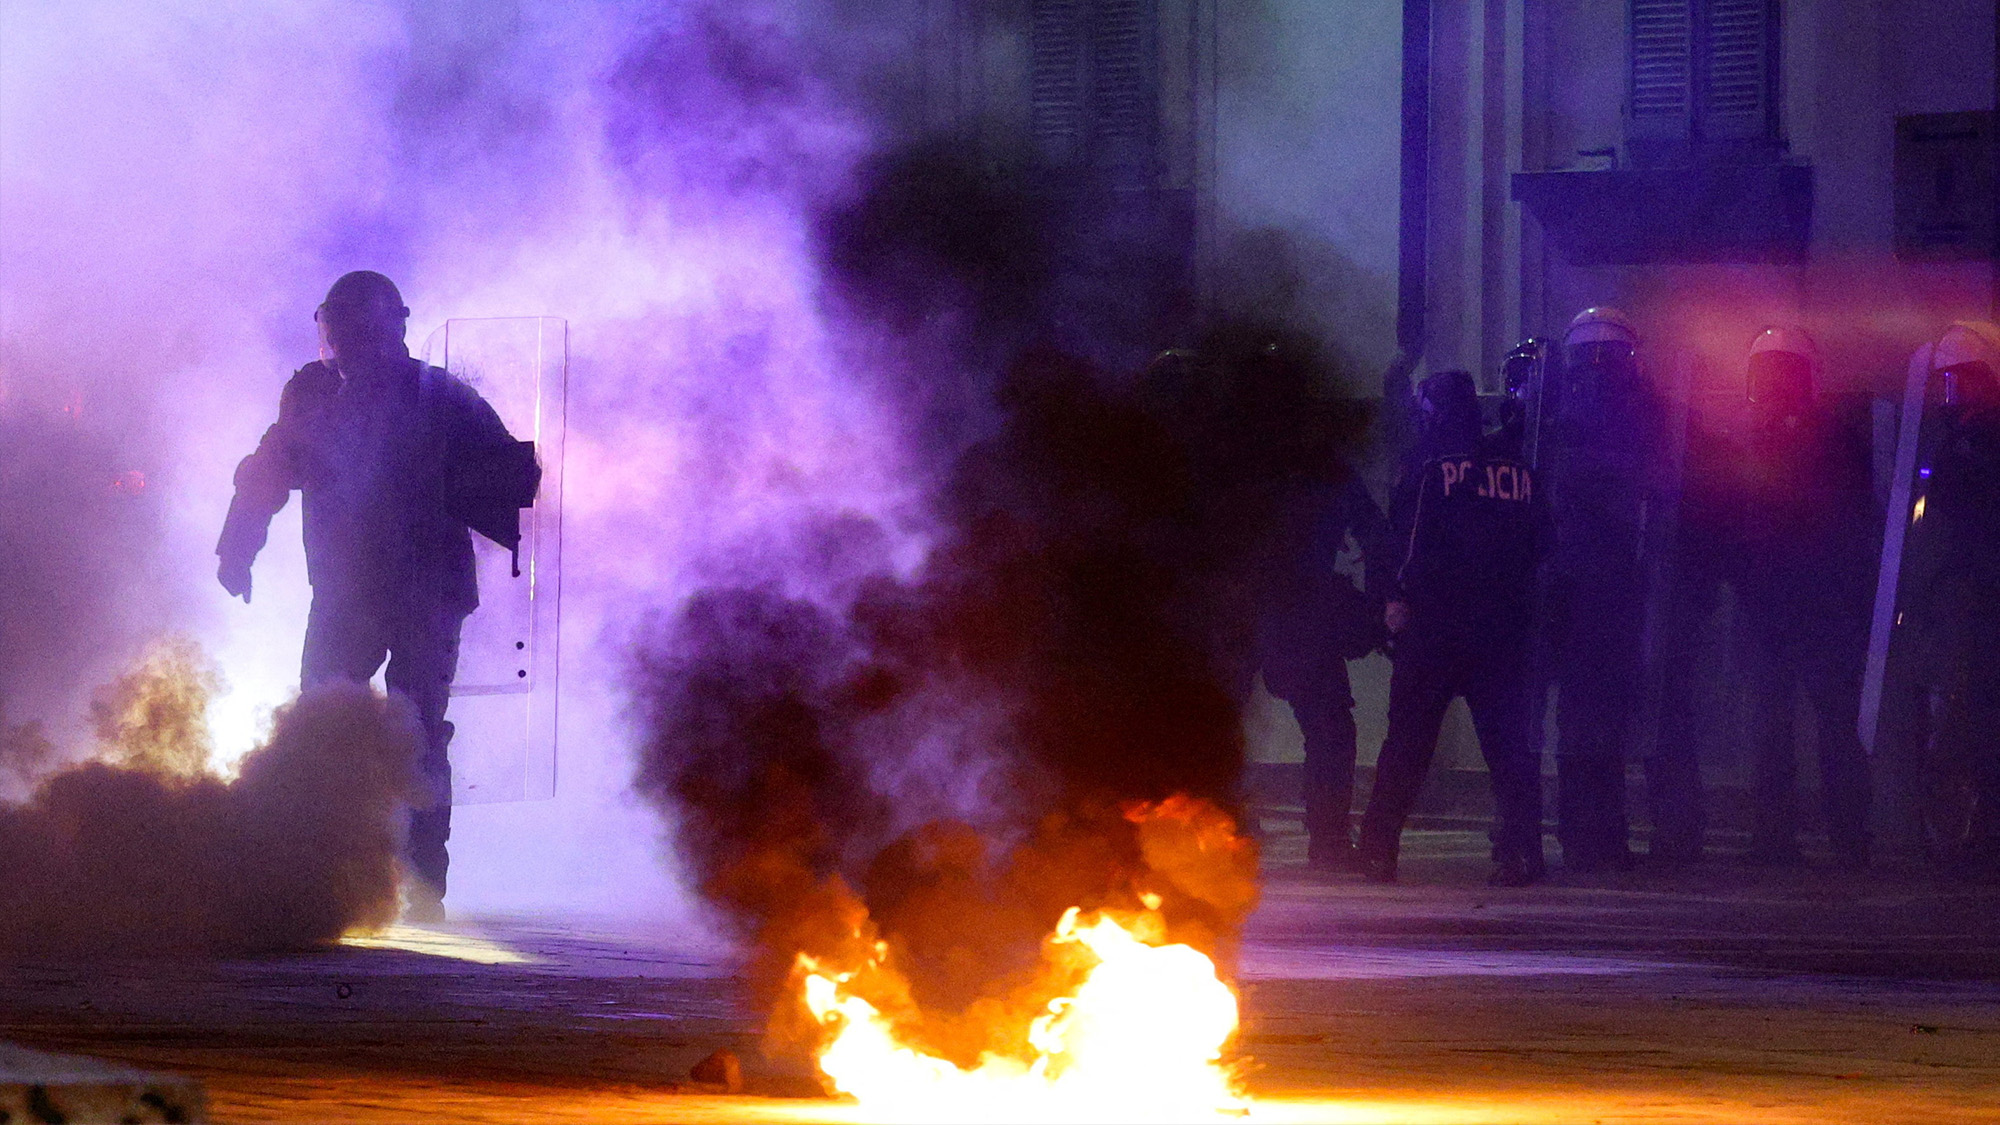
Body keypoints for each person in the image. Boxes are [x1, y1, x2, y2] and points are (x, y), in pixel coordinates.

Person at [217, 271, 539, 920]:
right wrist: (237, 546)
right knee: (325, 726)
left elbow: (512, 472)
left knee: (411, 734)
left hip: (423, 593)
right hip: (351, 591)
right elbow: (271, 467)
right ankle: (323, 878)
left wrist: (478, 489)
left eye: (354, 326)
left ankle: (417, 888)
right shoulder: (318, 395)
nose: (346, 340)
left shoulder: (438, 395)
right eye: (339, 326)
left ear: (387, 325)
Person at [1355, 370, 1549, 886]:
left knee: (1407, 743)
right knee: (1509, 748)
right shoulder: (1518, 467)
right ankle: (1522, 853)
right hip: (1504, 628)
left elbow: (1406, 544)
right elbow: (1539, 546)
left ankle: (1378, 850)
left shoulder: (1429, 466)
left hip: (1437, 626)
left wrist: (1394, 599)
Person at [1726, 328, 1877, 865]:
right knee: (1801, 726)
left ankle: (1811, 840)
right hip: (1802, 607)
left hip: (1806, 608)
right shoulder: (1832, 439)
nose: (1776, 386)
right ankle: (1832, 840)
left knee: (1806, 725)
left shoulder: (1828, 440)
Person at [1542, 307, 1670, 873]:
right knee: (1606, 720)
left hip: (1570, 589)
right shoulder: (1644, 421)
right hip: (1612, 590)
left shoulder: (1556, 419)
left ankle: (1579, 837)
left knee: (1578, 719)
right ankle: (1605, 839)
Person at [1255, 466, 1389, 870]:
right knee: (1330, 726)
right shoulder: (1328, 470)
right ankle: (1327, 837)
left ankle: (1326, 836)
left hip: (1281, 606)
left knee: (1329, 726)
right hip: (1294, 608)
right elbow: (1375, 532)